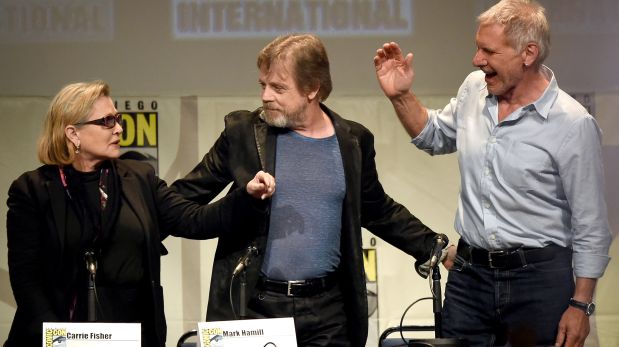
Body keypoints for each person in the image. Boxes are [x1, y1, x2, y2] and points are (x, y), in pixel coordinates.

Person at [172, 33, 439, 346]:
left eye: (279, 87)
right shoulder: (242, 134)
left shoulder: (354, 141)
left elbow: (376, 208)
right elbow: (179, 202)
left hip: (329, 314)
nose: (265, 96)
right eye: (263, 85)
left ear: (313, 88)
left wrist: (434, 247)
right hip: (255, 309)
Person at [374, 0, 612, 346]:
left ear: (528, 53)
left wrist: (580, 304)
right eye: (477, 47)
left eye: (488, 51)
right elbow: (434, 136)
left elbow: (591, 226)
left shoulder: (573, 124)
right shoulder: (474, 88)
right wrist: (400, 96)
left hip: (539, 282)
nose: (476, 60)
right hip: (471, 278)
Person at [4, 80, 274, 347]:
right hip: (59, 333)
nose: (119, 129)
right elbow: (26, 279)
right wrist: (55, 340)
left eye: (118, 119)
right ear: (73, 133)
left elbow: (195, 220)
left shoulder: (138, 177)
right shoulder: (32, 190)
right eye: (107, 122)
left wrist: (246, 196)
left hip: (131, 333)